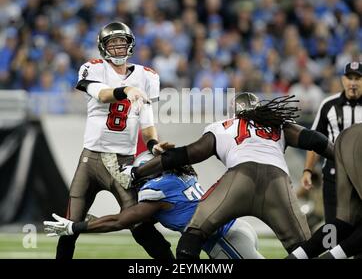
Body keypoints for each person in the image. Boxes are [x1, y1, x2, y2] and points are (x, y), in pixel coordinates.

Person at [117, 92, 335, 259]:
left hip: (239, 179)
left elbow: (185, 155)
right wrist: (341, 159)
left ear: (235, 112)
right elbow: (315, 140)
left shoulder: (223, 126)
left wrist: (138, 171)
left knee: (194, 233)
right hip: (277, 183)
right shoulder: (277, 124)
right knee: (305, 250)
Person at [55, 21, 174, 260]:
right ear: (103, 47)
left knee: (138, 224)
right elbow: (100, 93)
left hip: (123, 163)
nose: (119, 47)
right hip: (90, 160)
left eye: (123, 42)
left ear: (130, 45)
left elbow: (147, 122)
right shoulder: (95, 68)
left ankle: (172, 264)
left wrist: (153, 145)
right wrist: (126, 91)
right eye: (113, 43)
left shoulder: (147, 76)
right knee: (69, 226)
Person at [44, 151, 264, 259]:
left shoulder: (157, 190)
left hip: (224, 239)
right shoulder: (182, 176)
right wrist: (93, 223)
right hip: (236, 229)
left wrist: (75, 227)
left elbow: (122, 221)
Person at [287, 123, 362, 259]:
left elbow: (315, 138)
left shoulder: (329, 105)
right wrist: (308, 170)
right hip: (341, 162)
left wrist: (307, 170)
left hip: (342, 142)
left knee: (343, 223)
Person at [301, 62, 362, 224]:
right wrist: (308, 170)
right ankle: (331, 250)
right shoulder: (329, 105)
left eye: (358, 78)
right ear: (343, 80)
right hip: (334, 174)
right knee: (332, 227)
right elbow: (315, 140)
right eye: (350, 78)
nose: (353, 83)